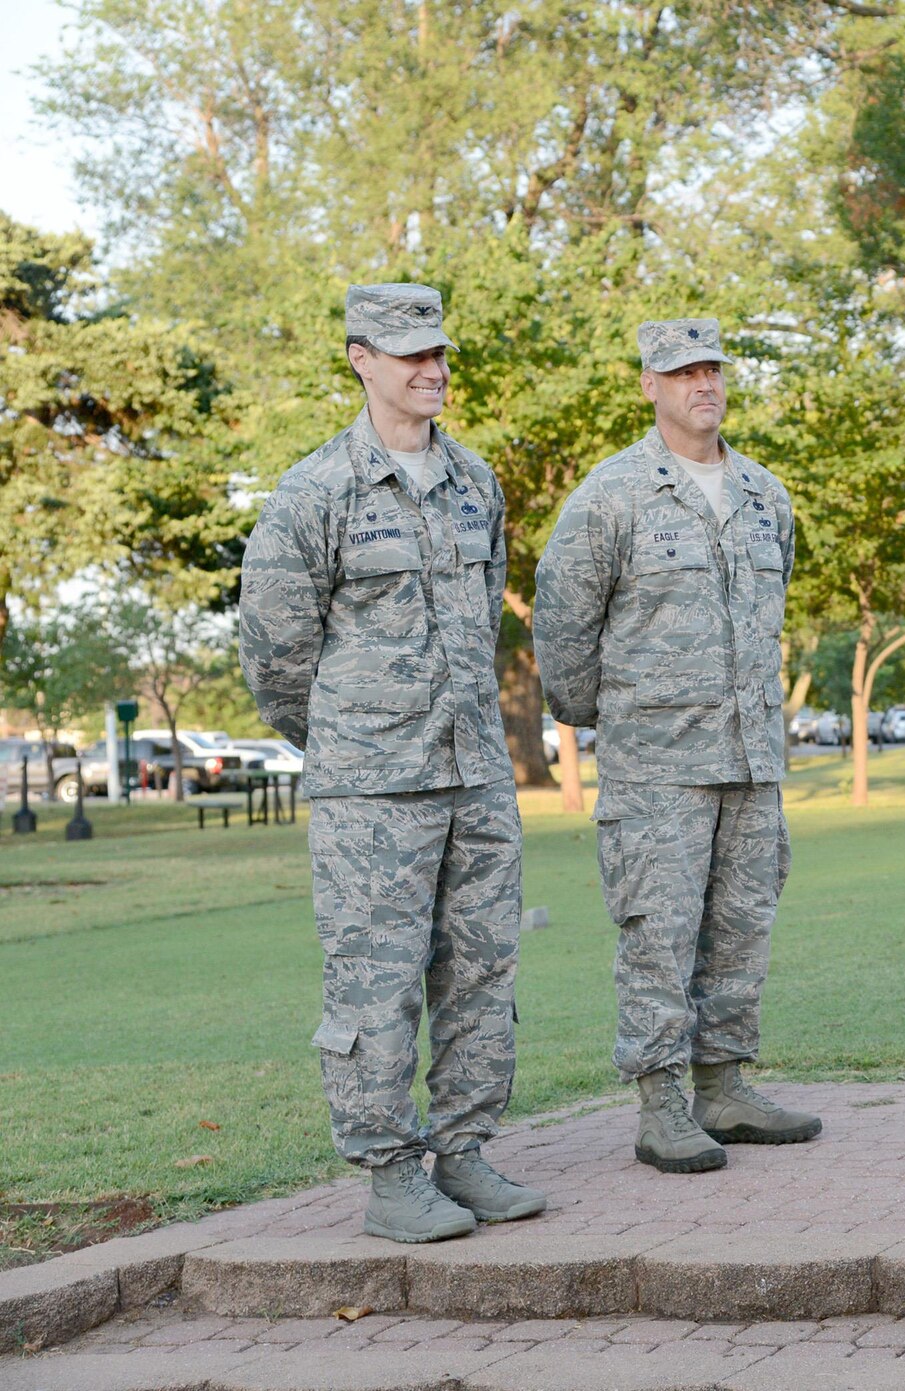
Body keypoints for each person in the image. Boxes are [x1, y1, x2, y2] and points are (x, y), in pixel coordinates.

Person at [239, 283, 545, 1243]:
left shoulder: (476, 482)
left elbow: (485, 614)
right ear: (360, 358)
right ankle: (388, 1171)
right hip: (372, 788)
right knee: (374, 979)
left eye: (440, 350)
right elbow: (276, 653)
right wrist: (346, 739)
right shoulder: (316, 492)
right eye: (409, 352)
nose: (432, 368)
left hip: (476, 777)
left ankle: (463, 1147)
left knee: (482, 970)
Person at [534, 317, 820, 1175]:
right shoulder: (611, 496)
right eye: (682, 371)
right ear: (650, 385)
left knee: (740, 928)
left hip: (751, 759)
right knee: (658, 934)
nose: (704, 384)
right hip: (658, 766)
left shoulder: (766, 494)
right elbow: (562, 626)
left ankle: (724, 1086)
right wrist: (616, 716)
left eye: (713, 369)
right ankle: (660, 1102)